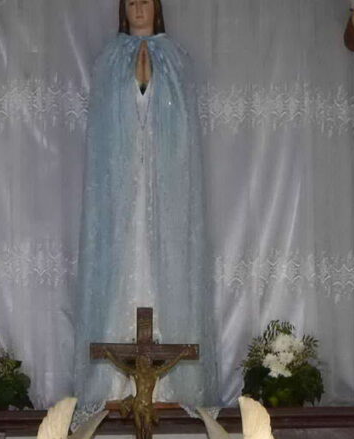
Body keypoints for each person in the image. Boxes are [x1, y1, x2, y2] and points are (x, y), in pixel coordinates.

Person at [76, 0, 214, 411]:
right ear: (123, 10)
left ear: (157, 7)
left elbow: (182, 130)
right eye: (131, 2)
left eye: (145, 1)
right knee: (121, 264)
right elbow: (105, 128)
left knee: (163, 264)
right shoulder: (108, 61)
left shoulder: (175, 59)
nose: (139, 8)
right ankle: (113, 384)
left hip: (163, 184)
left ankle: (169, 388)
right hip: (121, 186)